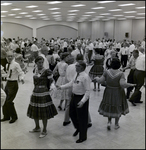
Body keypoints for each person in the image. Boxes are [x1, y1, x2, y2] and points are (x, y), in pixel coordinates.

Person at [93, 57, 136, 130]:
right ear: (119, 65)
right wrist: (131, 85)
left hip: (108, 91)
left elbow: (100, 81)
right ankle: (116, 124)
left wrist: (96, 78)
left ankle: (109, 122)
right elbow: (122, 84)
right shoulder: (121, 73)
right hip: (118, 92)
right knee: (117, 106)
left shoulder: (107, 72)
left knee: (110, 105)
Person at [57, 61, 90, 143]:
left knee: (82, 117)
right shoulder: (76, 74)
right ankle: (78, 128)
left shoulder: (85, 77)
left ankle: (83, 136)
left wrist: (82, 101)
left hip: (81, 98)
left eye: (77, 66)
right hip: (74, 96)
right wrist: (61, 87)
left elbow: (88, 91)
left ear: (82, 67)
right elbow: (71, 83)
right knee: (71, 113)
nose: (75, 67)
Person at [27, 56, 58, 138]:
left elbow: (52, 81)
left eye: (42, 62)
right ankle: (37, 127)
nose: (40, 64)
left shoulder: (47, 71)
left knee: (44, 112)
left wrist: (51, 89)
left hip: (44, 93)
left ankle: (44, 129)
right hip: (35, 92)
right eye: (39, 62)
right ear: (36, 63)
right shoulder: (35, 70)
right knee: (35, 110)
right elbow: (34, 82)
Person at [1, 51, 25, 124]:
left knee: (9, 101)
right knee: (4, 100)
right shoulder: (7, 65)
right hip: (8, 83)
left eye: (11, 56)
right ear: (6, 57)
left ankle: (14, 117)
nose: (10, 57)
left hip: (14, 84)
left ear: (13, 56)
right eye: (8, 56)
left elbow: (21, 72)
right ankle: (6, 116)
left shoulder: (16, 64)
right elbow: (8, 75)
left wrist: (22, 78)